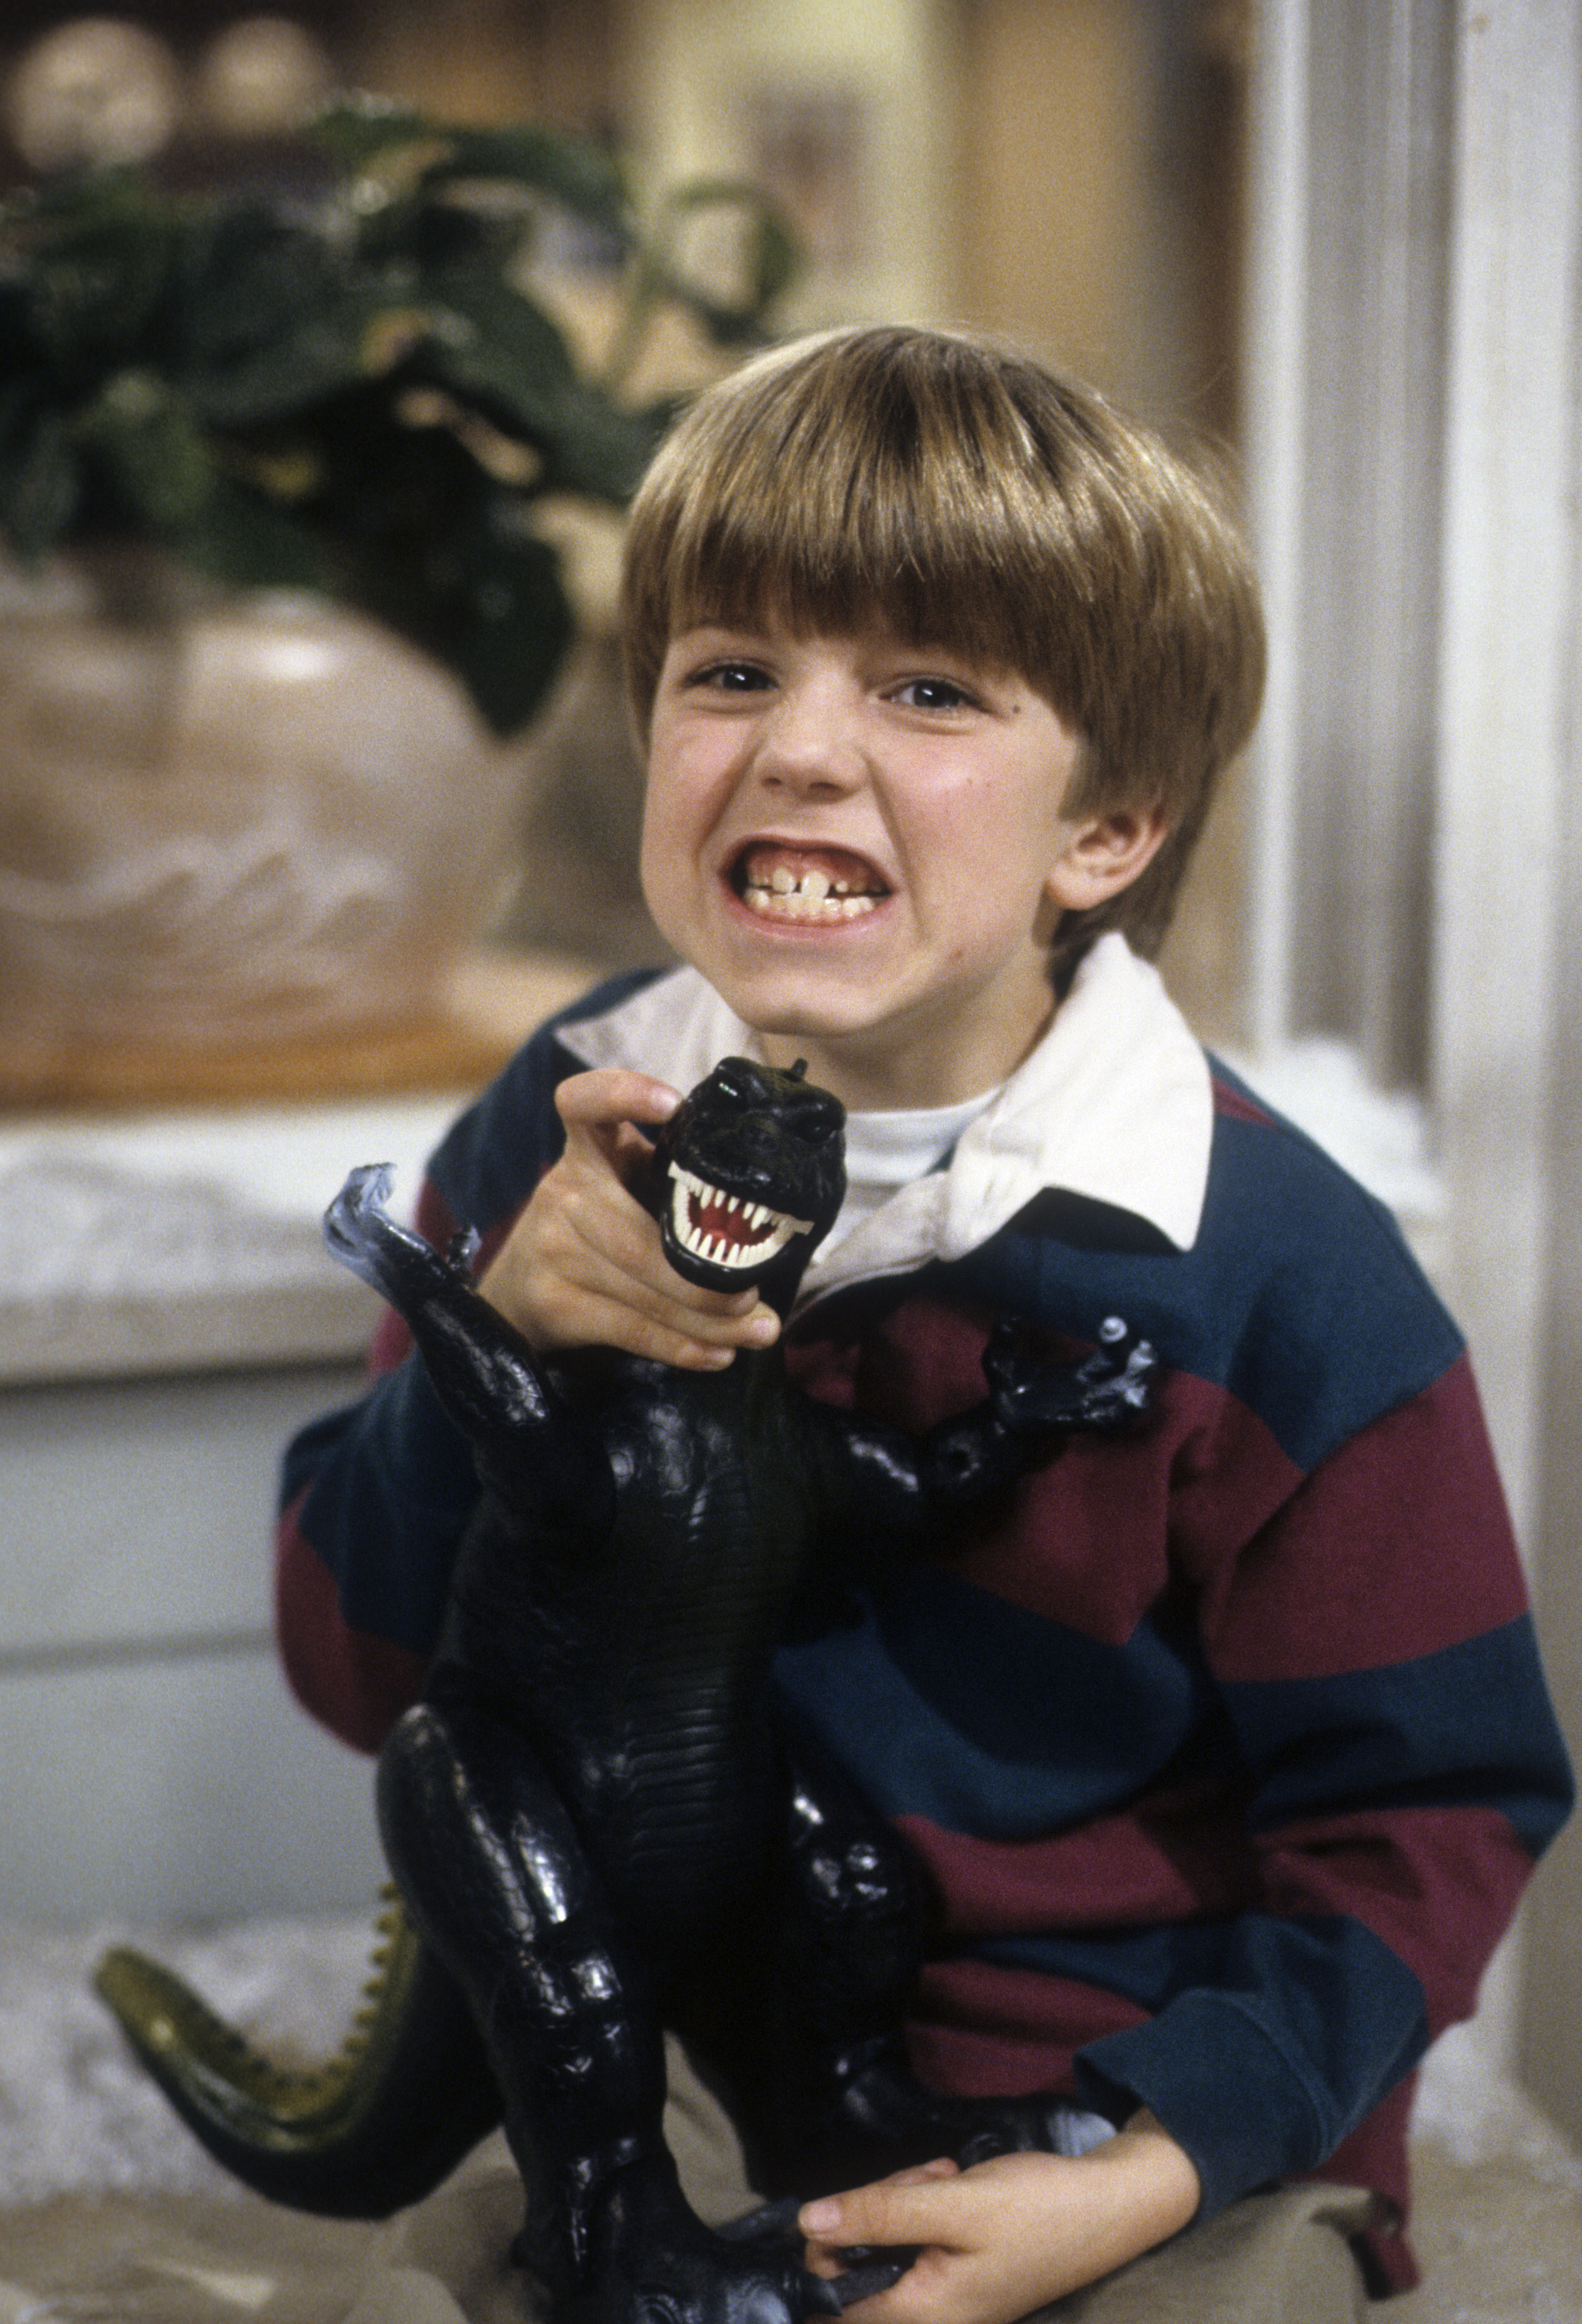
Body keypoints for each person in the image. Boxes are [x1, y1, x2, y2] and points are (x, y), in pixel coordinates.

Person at [274, 326, 1573, 2320]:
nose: (797, 748)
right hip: (683, 2055)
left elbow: (1432, 1811)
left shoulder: (1284, 1272)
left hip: (1137, 2128)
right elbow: (363, 1673)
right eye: (731, 672)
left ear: (1106, 833)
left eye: (928, 689)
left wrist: (1159, 2157)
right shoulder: (560, 1118)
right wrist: (496, 1349)